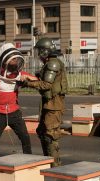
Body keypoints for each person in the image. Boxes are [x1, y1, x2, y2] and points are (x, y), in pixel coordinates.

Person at [21, 37, 68, 167]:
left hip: (54, 105)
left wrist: (28, 83)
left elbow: (46, 84)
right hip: (48, 103)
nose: (39, 55)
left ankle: (55, 167)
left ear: (45, 51)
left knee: (51, 135)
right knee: (42, 132)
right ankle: (48, 162)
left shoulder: (53, 63)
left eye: (40, 51)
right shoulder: (49, 64)